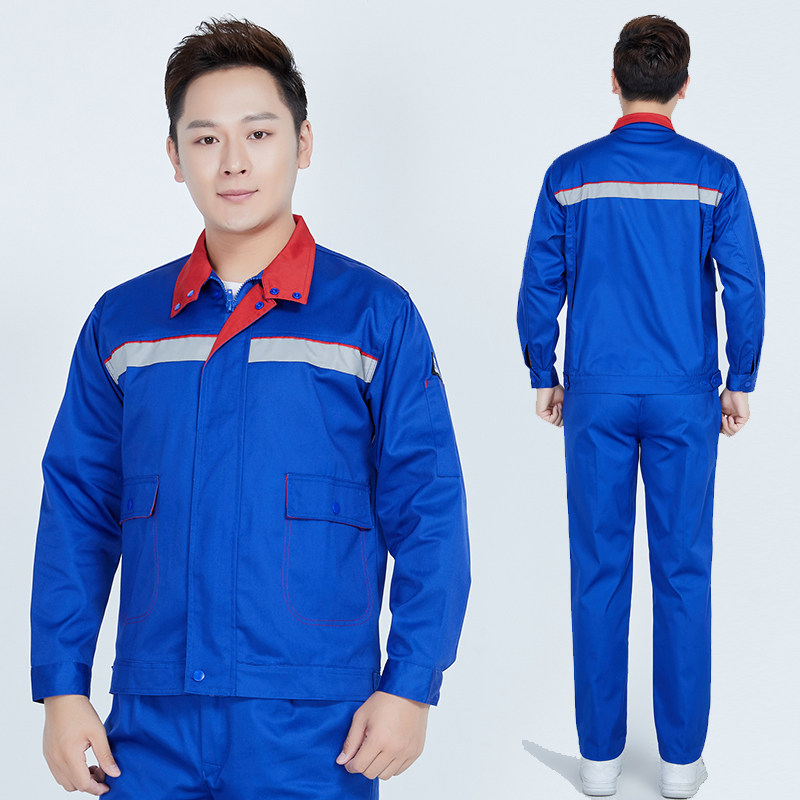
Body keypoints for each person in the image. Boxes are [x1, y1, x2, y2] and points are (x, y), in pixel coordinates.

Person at [30, 17, 470, 799]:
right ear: (175, 158)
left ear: (303, 143)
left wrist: (411, 685)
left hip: (316, 728)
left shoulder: (374, 317)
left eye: (258, 133)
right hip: (150, 722)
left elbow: (428, 508)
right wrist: (62, 687)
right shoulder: (123, 324)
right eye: (205, 139)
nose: (233, 162)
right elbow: (79, 509)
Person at [516, 14, 764, 799]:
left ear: (614, 82)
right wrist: (741, 377)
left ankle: (598, 762)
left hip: (596, 394)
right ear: (683, 86)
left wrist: (543, 370)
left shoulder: (571, 174)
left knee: (598, 572)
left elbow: (539, 282)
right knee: (684, 573)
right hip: (685, 396)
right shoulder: (715, 176)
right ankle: (681, 765)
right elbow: (746, 283)